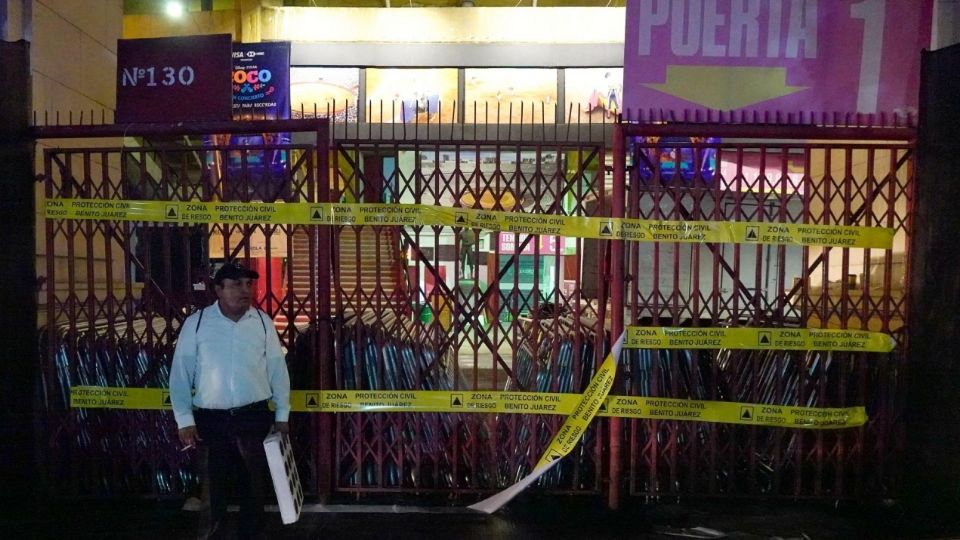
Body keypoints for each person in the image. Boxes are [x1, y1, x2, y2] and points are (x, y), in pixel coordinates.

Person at [170, 261, 291, 540]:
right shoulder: (197, 324)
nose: (245, 290)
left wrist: (282, 416)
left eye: (249, 284)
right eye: (236, 284)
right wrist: (184, 420)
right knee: (213, 490)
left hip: (253, 417)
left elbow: (277, 370)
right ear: (218, 289)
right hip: (211, 421)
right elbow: (180, 373)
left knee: (254, 487)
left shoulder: (262, 322)